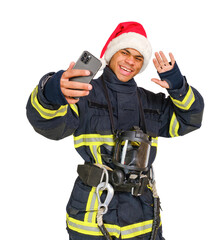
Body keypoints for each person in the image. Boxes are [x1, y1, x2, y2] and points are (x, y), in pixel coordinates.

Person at [26, 21, 204, 240]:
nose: (131, 61)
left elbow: (190, 119)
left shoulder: (151, 103)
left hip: (144, 219)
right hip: (92, 217)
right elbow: (48, 126)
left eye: (138, 58)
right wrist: (51, 92)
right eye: (125, 52)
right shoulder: (83, 94)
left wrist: (178, 87)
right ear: (110, 54)